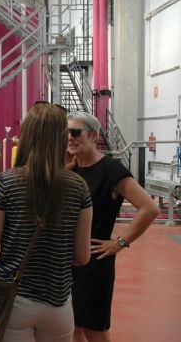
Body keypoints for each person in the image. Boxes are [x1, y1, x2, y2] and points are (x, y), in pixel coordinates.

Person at [0, 102, 93, 341]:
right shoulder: (79, 187)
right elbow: (82, 256)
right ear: (62, 137)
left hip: (14, 299)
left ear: (27, 135)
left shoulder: (5, 183)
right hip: (58, 303)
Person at [67, 111, 158, 342]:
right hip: (67, 260)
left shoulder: (111, 171)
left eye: (76, 132)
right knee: (71, 326)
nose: (70, 138)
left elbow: (149, 208)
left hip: (96, 260)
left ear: (93, 136)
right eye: (66, 133)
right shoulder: (70, 169)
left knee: (94, 328)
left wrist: (120, 242)